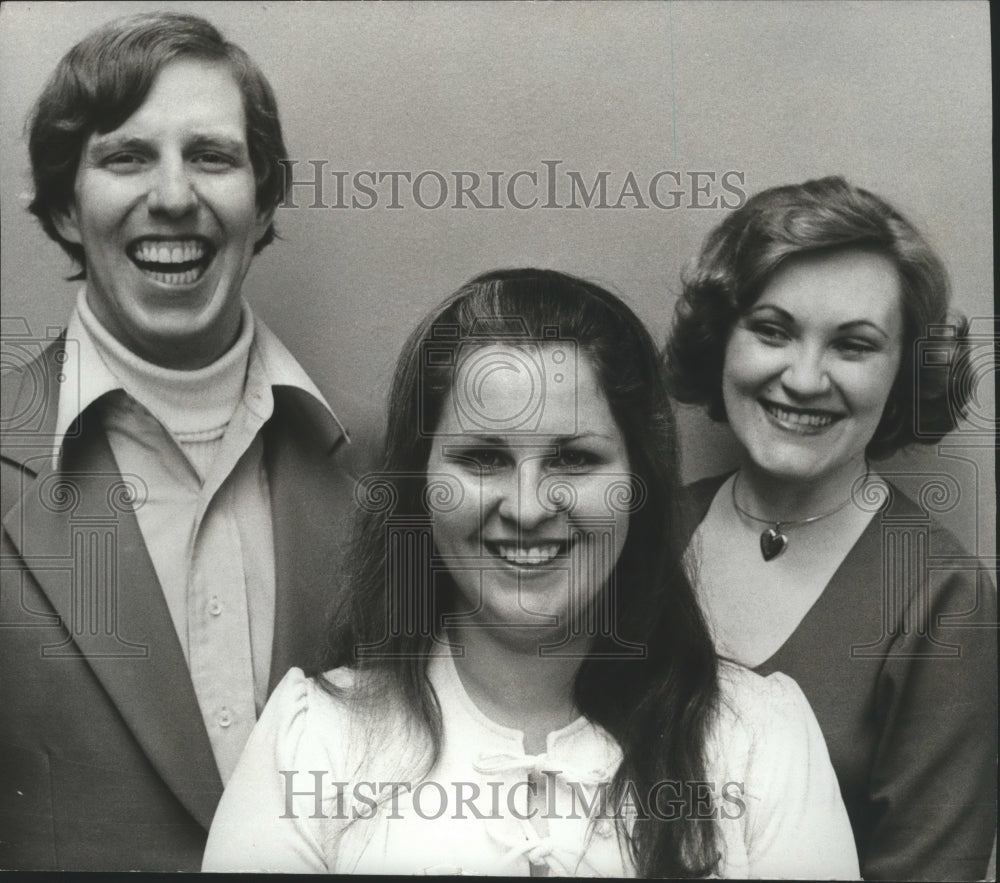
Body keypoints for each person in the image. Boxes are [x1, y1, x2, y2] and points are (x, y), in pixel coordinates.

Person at [203, 268, 859, 877]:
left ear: (639, 482)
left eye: (574, 458)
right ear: (419, 482)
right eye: (483, 456)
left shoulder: (761, 740)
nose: (526, 506)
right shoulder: (310, 741)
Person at [0, 12, 369, 871]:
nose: (173, 195)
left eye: (211, 155)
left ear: (264, 198)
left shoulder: (385, 468)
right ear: (62, 205)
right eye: (126, 157)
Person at [665, 177, 997, 880]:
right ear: (722, 340)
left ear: (903, 370)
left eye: (853, 345)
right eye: (773, 330)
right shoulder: (646, 533)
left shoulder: (943, 597)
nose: (806, 378)